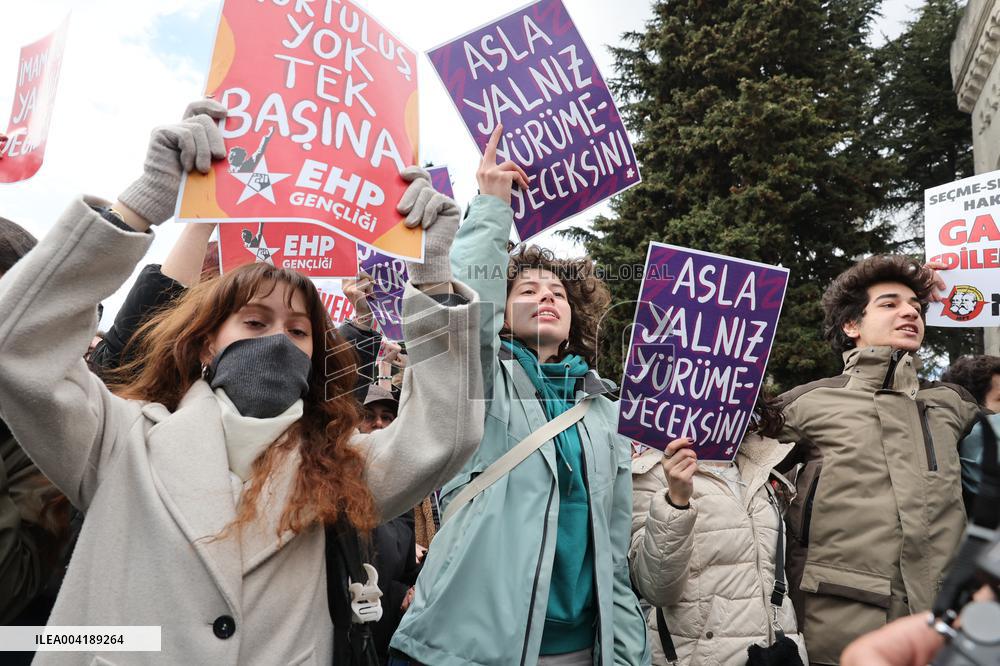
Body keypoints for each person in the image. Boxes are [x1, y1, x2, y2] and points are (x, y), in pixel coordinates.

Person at [0, 100, 484, 665]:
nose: (277, 340)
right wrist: (138, 206)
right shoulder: (120, 439)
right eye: (255, 322)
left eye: (298, 331)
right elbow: (19, 348)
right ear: (207, 343)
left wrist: (434, 274)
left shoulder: (339, 468)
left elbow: (445, 433)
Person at [390, 125, 648, 666]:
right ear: (503, 314)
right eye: (527, 290)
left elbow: (614, 547)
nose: (546, 297)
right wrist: (490, 207)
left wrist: (626, 654)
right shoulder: (480, 381)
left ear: (575, 316)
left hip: (582, 650)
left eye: (558, 293)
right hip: (473, 648)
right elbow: (463, 319)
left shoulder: (606, 411)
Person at [776, 255, 981, 664]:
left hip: (944, 634)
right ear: (851, 326)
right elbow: (721, 460)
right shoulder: (808, 403)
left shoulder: (953, 404)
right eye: (889, 304)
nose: (910, 312)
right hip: (840, 634)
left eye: (916, 307)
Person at [630, 395, 807, 665]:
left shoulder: (760, 465)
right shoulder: (653, 472)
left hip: (776, 654)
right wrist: (675, 501)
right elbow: (656, 589)